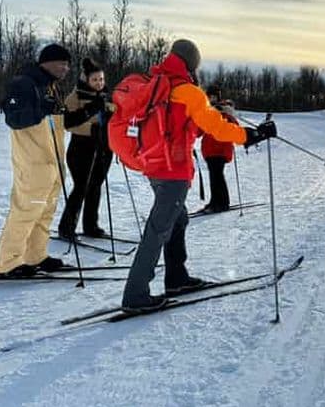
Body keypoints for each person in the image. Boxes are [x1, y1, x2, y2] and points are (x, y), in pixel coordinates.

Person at [120, 39, 276, 313]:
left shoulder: (157, 83)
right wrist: (250, 135)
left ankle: (177, 278)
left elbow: (190, 128)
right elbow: (215, 127)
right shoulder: (188, 91)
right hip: (173, 171)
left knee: (176, 220)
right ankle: (135, 294)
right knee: (158, 229)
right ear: (191, 64)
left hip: (154, 166)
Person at [0, 44, 73, 277]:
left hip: (52, 162)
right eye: (62, 63)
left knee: (45, 211)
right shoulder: (24, 84)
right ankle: (7, 263)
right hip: (33, 163)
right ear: (47, 62)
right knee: (26, 211)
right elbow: (15, 119)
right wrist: (41, 109)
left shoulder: (50, 87)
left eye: (68, 64)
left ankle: (35, 255)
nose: (66, 68)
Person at [57, 58, 115, 239]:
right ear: (86, 80)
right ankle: (66, 228)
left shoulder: (105, 96)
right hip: (81, 149)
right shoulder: (75, 97)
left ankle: (91, 226)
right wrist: (92, 123)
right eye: (95, 80)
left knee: (95, 187)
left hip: (103, 149)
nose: (99, 83)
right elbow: (67, 123)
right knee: (81, 187)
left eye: (102, 79)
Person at [199, 86, 239, 213]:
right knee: (214, 176)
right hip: (210, 149)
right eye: (209, 97)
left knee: (217, 176)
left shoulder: (225, 111)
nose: (211, 99)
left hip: (220, 149)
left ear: (218, 97)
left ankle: (222, 203)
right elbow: (200, 130)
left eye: (214, 96)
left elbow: (234, 126)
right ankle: (215, 201)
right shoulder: (208, 110)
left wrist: (223, 113)